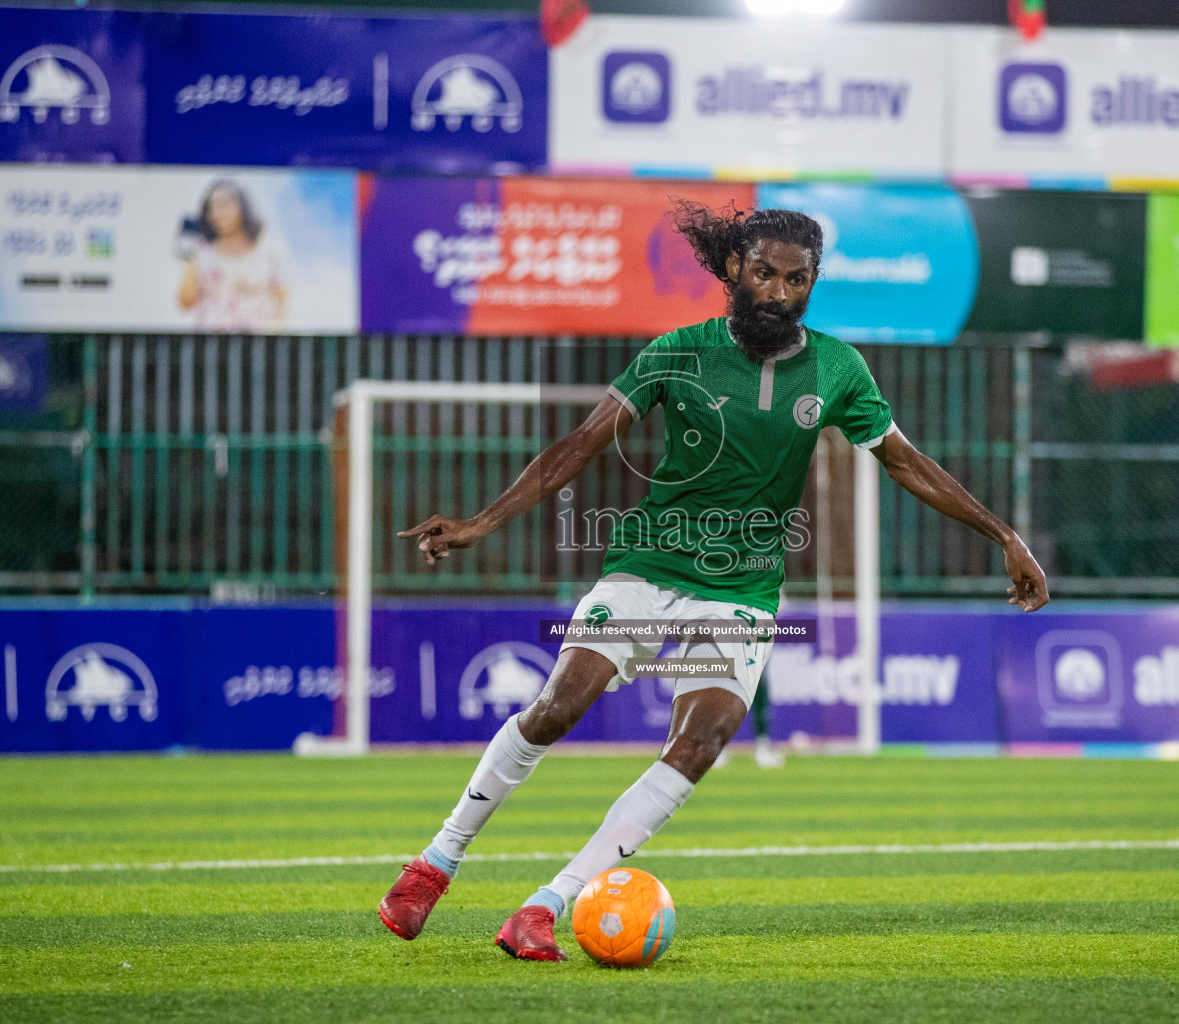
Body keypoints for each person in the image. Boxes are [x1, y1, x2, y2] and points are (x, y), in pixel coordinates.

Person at [377, 201, 1049, 961]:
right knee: (558, 707)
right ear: (735, 269)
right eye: (764, 272)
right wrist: (482, 521)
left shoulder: (838, 368)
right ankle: (438, 859)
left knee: (704, 740)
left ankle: (547, 905)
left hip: (743, 588)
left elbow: (906, 462)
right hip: (650, 564)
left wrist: (1004, 533)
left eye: (797, 279)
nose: (779, 292)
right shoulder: (677, 352)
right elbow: (584, 441)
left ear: (813, 284)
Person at [176, 179, 287, 332]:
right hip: (212, 344)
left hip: (259, 343)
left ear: (242, 207)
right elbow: (186, 303)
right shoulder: (203, 252)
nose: (217, 213)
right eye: (212, 207)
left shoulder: (268, 250)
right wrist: (188, 260)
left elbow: (283, 302)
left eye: (225, 205)